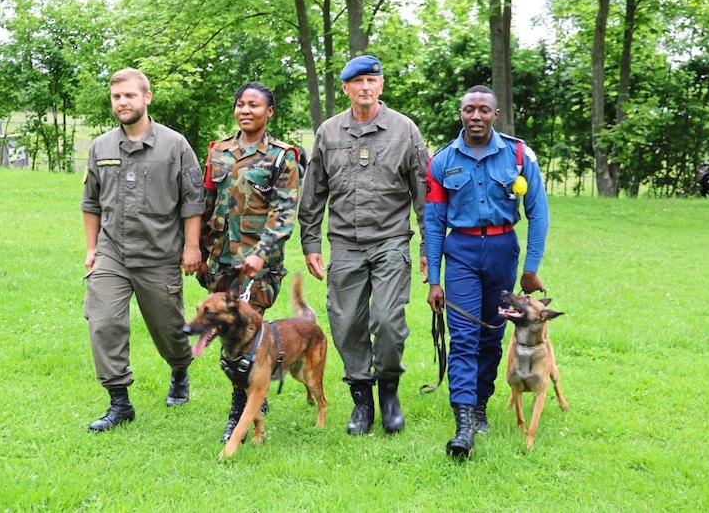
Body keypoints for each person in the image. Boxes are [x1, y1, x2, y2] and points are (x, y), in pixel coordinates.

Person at [298, 54, 428, 435]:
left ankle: (388, 391)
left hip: (390, 241)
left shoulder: (405, 131)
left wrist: (428, 250)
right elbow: (313, 192)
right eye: (358, 82)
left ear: (382, 86)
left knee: (388, 321)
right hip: (344, 244)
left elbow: (424, 195)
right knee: (345, 325)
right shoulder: (329, 132)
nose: (365, 87)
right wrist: (310, 241)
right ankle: (362, 401)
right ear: (346, 88)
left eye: (372, 80)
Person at [425, 85, 550, 458]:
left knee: (491, 335)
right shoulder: (443, 160)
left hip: (502, 250)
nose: (475, 116)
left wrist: (530, 269)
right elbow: (433, 222)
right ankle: (463, 423)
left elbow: (538, 212)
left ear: (496, 115)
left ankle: (480, 403)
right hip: (460, 251)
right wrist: (434, 278)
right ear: (460, 113)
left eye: (483, 110)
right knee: (463, 336)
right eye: (468, 110)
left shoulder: (517, 155)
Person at [81, 67, 205, 432]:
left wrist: (192, 247)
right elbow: (91, 203)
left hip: (160, 255)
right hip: (112, 253)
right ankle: (119, 402)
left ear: (146, 98)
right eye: (117, 97)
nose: (123, 103)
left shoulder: (174, 145)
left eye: (130, 96)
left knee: (169, 330)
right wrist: (92, 249)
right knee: (103, 323)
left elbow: (192, 201)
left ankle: (180, 368)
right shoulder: (101, 146)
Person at [197, 81, 299, 444]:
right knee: (227, 335)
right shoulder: (218, 152)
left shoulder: (282, 156)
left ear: (269, 112)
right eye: (240, 104)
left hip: (259, 264)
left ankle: (238, 415)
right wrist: (196, 248)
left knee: (246, 336)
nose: (245, 110)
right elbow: (205, 203)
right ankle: (256, 392)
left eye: (254, 105)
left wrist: (260, 253)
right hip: (221, 261)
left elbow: (284, 211)